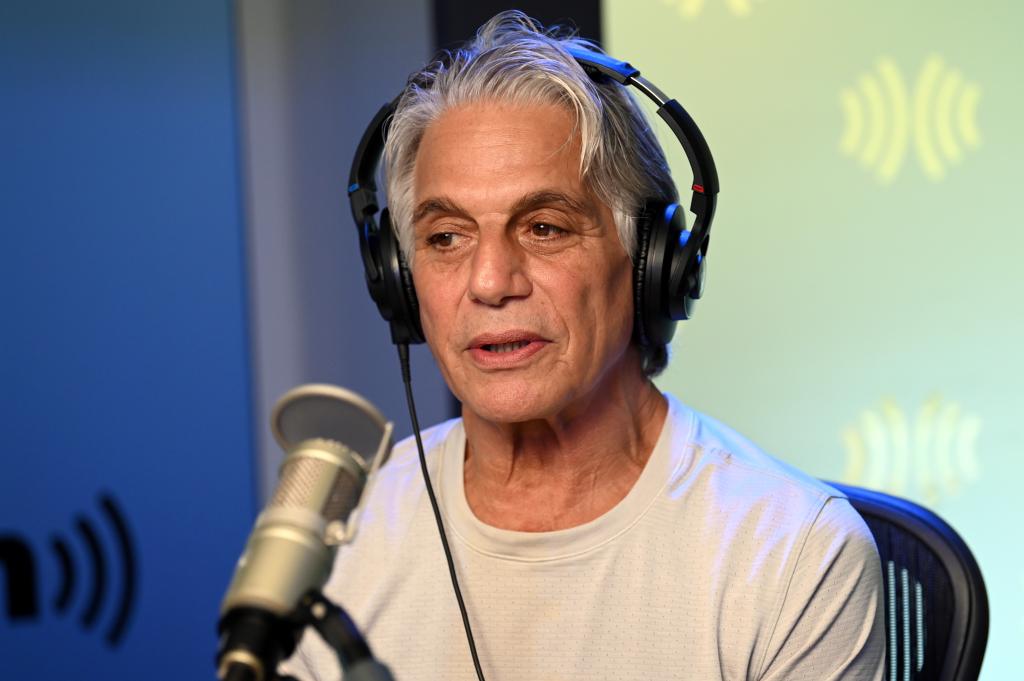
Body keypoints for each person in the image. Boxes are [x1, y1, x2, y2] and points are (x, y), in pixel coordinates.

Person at [281, 10, 884, 681]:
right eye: (446, 237)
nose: (489, 282)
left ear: (651, 262)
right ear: (397, 276)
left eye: (544, 227)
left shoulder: (792, 552)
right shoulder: (335, 530)